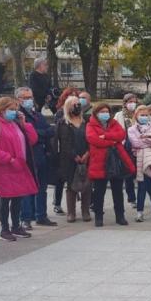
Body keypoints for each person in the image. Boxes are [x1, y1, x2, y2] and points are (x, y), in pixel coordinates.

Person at [0, 97, 39, 242]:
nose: (14, 112)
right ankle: (4, 228)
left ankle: (16, 226)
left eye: (15, 109)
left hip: (18, 166)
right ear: (2, 110)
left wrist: (24, 124)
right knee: (6, 198)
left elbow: (31, 140)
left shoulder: (15, 123)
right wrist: (8, 158)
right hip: (4, 167)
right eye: (11, 109)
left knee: (18, 197)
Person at [87, 103, 136, 227]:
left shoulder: (114, 123)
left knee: (118, 191)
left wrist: (106, 136)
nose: (105, 114)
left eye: (106, 111)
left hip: (115, 161)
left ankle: (120, 216)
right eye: (102, 111)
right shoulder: (90, 125)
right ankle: (99, 217)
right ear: (96, 113)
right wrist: (112, 142)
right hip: (100, 162)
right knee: (99, 192)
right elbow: (93, 139)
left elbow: (121, 135)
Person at [17, 87, 57, 229]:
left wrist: (37, 134)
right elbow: (26, 135)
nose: (29, 100)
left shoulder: (37, 115)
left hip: (41, 155)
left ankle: (41, 215)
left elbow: (50, 131)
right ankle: (26, 218)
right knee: (27, 189)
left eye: (30, 97)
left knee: (42, 188)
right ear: (18, 99)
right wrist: (39, 134)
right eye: (25, 97)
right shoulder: (17, 116)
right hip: (27, 156)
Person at [53, 97, 91, 223]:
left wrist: (87, 153)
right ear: (68, 107)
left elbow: (90, 139)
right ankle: (71, 213)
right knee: (71, 185)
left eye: (78, 104)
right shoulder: (62, 123)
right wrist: (74, 156)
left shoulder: (86, 121)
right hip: (69, 159)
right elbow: (64, 142)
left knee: (86, 184)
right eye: (74, 104)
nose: (77, 106)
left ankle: (85, 211)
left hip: (86, 156)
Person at [52, 87, 80, 216]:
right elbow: (60, 136)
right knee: (61, 180)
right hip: (64, 153)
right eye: (71, 97)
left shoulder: (80, 116)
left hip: (79, 151)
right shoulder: (60, 115)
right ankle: (57, 203)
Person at [115, 93, 140, 206]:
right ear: (124, 103)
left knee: (142, 173)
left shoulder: (139, 114)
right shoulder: (119, 115)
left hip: (139, 146)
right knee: (128, 174)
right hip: (125, 147)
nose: (132, 104)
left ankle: (145, 196)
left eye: (134, 102)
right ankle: (131, 198)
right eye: (130, 102)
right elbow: (115, 130)